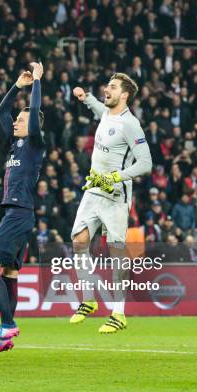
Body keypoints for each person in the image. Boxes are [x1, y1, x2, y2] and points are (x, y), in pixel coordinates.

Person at [70, 72, 152, 333]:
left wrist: (117, 176)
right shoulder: (107, 113)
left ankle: (119, 313)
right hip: (94, 189)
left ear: (124, 95)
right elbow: (98, 110)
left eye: (112, 87)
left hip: (116, 196)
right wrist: (86, 98)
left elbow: (146, 164)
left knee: (117, 252)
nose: (107, 89)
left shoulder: (131, 125)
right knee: (79, 241)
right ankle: (89, 300)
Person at [0, 62, 45, 358]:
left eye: (22, 119)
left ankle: (6, 324)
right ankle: (6, 336)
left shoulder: (34, 144)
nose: (16, 122)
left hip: (18, 213)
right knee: (10, 272)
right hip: (17, 213)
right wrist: (18, 86)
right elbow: (1, 113)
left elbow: (30, 120)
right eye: (18, 119)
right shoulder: (15, 145)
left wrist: (37, 85)